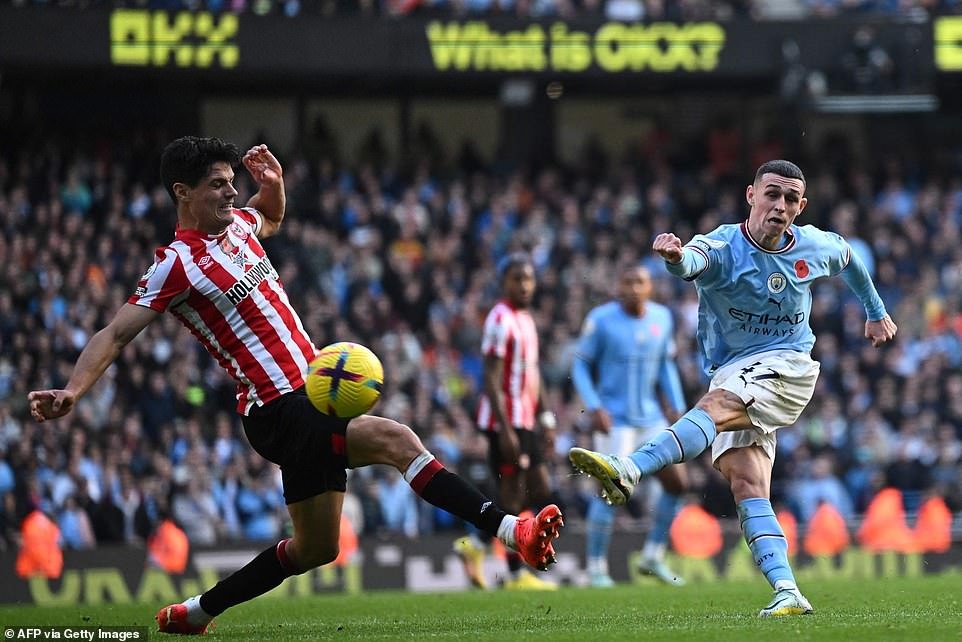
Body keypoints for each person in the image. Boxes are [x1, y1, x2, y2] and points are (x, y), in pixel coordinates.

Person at [28, 137, 563, 634]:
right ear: (182, 193)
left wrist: (274, 184)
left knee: (315, 548)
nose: (231, 190)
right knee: (397, 440)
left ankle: (197, 612)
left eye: (232, 181)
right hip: (275, 406)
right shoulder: (176, 266)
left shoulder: (238, 225)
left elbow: (272, 217)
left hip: (309, 396)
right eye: (217, 184)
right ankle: (512, 531)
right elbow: (116, 332)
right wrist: (74, 390)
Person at [569, 159, 897, 617]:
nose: (779, 206)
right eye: (771, 194)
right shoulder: (723, 244)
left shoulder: (814, 245)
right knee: (747, 485)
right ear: (751, 195)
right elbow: (692, 262)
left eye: (789, 199)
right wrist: (675, 257)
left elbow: (850, 260)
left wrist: (875, 311)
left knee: (716, 405)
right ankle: (787, 590)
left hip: (788, 366)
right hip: (732, 369)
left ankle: (630, 467)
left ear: (801, 206)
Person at [571, 264, 688, 588]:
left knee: (678, 484)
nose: (634, 287)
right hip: (616, 421)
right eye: (628, 281)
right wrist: (594, 406)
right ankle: (596, 568)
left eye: (640, 282)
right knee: (613, 492)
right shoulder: (601, 320)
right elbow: (580, 364)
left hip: (650, 419)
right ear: (618, 287)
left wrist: (676, 405)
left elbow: (666, 365)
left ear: (649, 288)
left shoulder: (662, 318)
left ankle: (652, 555)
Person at [454, 253, 558, 591]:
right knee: (514, 495)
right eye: (517, 279)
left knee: (537, 488)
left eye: (529, 279)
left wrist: (546, 417)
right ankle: (514, 575)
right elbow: (491, 377)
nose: (525, 285)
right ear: (504, 283)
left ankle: (477, 546)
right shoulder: (499, 319)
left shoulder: (526, 319)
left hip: (526, 419)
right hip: (506, 422)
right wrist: (506, 429)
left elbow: (534, 373)